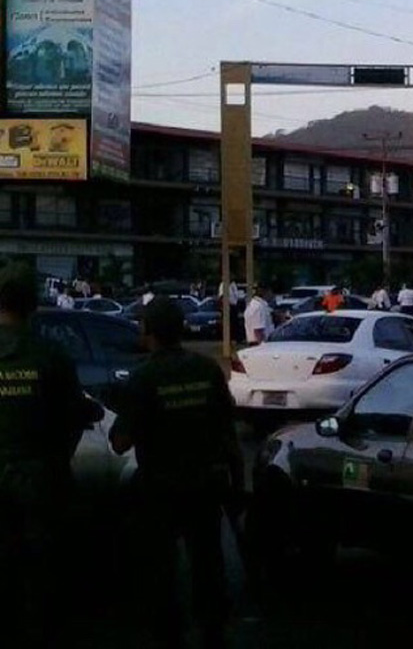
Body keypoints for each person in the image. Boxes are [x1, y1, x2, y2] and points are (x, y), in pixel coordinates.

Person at [110, 297, 244, 648]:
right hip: (206, 483)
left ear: (147, 331)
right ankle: (213, 631)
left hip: (162, 488)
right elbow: (227, 425)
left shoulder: (144, 377)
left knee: (162, 570)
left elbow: (121, 442)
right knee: (208, 565)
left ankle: (169, 633)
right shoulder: (206, 369)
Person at [0, 263, 102, 646]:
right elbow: (75, 413)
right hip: (41, 479)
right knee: (41, 569)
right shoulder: (50, 354)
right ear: (33, 306)